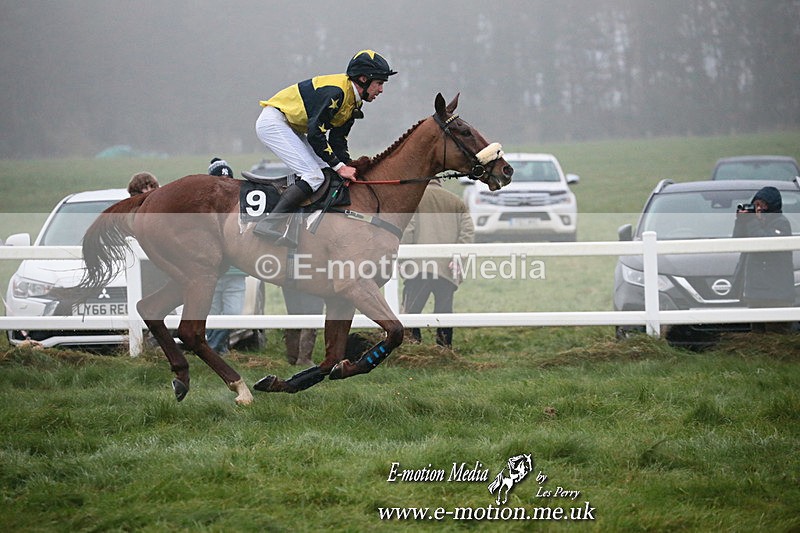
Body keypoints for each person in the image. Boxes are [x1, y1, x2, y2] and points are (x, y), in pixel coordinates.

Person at [253, 49, 397, 243]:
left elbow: (338, 140)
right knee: (313, 176)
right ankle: (269, 223)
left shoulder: (354, 101)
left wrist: (347, 165)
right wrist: (340, 166)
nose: (381, 90)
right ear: (363, 79)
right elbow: (315, 134)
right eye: (379, 83)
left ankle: (303, 224)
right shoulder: (336, 93)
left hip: (292, 126)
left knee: (326, 173)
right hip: (274, 122)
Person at [400, 179, 475, 348]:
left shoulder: (414, 199)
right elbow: (468, 231)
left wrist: (404, 259)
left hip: (419, 267)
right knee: (444, 311)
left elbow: (408, 231)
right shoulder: (456, 201)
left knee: (412, 310)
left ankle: (412, 346)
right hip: (447, 267)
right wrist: (458, 258)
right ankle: (444, 348)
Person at [732, 186, 795, 333]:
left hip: (776, 293)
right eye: (756, 204)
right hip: (755, 291)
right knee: (757, 337)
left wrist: (752, 221)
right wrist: (741, 221)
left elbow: (763, 244)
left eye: (762, 205)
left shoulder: (781, 223)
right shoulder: (752, 222)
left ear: (771, 205)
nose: (758, 208)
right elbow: (738, 241)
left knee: (777, 337)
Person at [205, 158, 247, 354]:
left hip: (236, 271)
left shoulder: (242, 205)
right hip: (212, 273)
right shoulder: (203, 209)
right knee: (211, 316)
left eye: (227, 177)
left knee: (232, 314)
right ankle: (220, 352)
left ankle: (211, 349)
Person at [281, 286, 324, 366]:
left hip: (290, 278)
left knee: (295, 314)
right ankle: (304, 359)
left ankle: (293, 357)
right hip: (311, 279)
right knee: (312, 315)